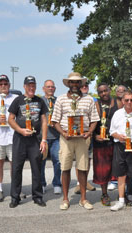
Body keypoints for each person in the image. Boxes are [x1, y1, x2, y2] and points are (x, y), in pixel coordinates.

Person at [51, 72, 100, 210]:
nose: (74, 85)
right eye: (72, 82)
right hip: (66, 138)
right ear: (68, 84)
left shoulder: (89, 99)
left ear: (81, 84)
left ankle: (83, 199)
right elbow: (54, 121)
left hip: (82, 139)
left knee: (83, 169)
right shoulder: (61, 99)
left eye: (77, 82)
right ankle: (65, 199)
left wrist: (89, 132)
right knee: (65, 168)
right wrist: (63, 133)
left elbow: (94, 119)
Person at [8, 76, 48, 208]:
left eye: (33, 85)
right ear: (24, 86)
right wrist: (20, 130)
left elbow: (43, 121)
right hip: (20, 138)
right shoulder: (17, 100)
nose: (31, 88)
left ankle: (37, 196)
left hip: (34, 139)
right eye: (29, 85)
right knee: (16, 168)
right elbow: (10, 119)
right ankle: (15, 197)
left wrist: (43, 140)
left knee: (36, 168)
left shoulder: (39, 101)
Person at [93, 83, 118, 206]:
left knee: (120, 168)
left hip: (115, 141)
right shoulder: (96, 104)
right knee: (102, 170)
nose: (104, 93)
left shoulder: (118, 103)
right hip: (100, 142)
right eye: (101, 92)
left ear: (109, 90)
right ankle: (104, 194)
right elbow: (90, 122)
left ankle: (123, 194)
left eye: (105, 90)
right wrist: (94, 136)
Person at [73, 82, 96, 194]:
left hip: (88, 133)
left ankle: (85, 181)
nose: (84, 87)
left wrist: (91, 132)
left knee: (88, 159)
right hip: (77, 134)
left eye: (86, 86)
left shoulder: (92, 99)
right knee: (79, 159)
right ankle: (79, 183)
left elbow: (96, 117)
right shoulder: (74, 99)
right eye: (82, 86)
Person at [40, 79, 62, 195]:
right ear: (43, 88)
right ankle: (42, 184)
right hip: (43, 137)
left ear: (55, 89)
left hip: (56, 136)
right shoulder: (40, 101)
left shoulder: (59, 101)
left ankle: (57, 183)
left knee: (57, 161)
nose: (50, 89)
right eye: (48, 87)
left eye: (52, 87)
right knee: (41, 161)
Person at [107, 85, 127, 191]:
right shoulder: (112, 102)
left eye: (123, 90)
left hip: (126, 137)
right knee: (114, 161)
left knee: (126, 161)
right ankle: (114, 181)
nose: (121, 92)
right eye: (118, 91)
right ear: (115, 92)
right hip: (113, 135)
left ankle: (125, 182)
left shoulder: (129, 102)